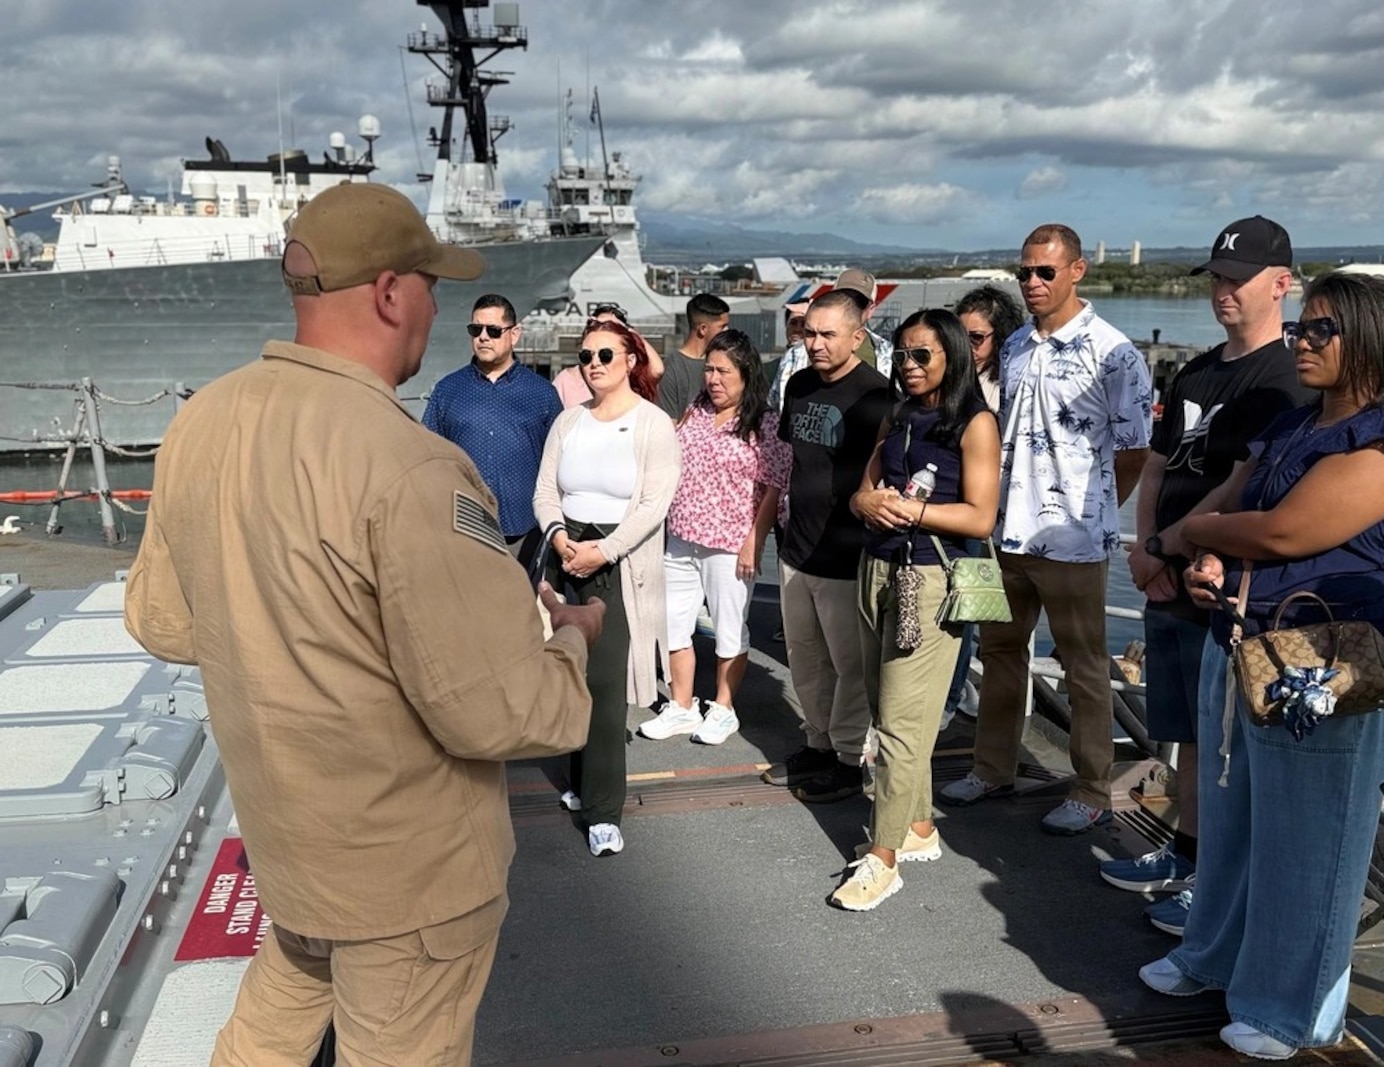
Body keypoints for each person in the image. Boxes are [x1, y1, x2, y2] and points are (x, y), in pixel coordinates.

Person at [123, 183, 603, 1066]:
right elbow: (497, 711)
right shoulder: (411, 465)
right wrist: (574, 639)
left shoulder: (201, 422)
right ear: (390, 292)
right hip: (407, 882)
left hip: (290, 848)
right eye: (430, 286)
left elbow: (161, 619)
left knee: (262, 1039)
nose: (436, 308)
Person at [1139, 271, 1384, 1061]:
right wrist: (1206, 549)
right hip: (1245, 641)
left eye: (1319, 331)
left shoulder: (1374, 441)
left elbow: (1285, 531)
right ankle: (1212, 954)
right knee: (1235, 815)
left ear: (1367, 338)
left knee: (1314, 836)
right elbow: (1232, 504)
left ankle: (1292, 1008)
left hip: (1324, 667)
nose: (1300, 342)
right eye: (1300, 329)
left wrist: (1190, 536)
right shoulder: (1294, 424)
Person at [1102, 216, 1310, 937]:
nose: (1222, 291)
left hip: (1220, 577)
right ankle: (1185, 853)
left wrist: (1164, 546)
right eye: (1216, 278)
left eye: (1236, 279)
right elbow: (1160, 462)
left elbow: (1242, 478)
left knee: (1225, 742)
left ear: (1280, 284)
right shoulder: (1194, 371)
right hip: (1167, 572)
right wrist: (1145, 548)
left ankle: (1214, 879)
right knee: (1189, 733)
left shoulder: (1284, 378)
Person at [939, 223, 1153, 835]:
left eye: (1045, 272)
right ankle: (991, 767)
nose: (1031, 282)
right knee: (1003, 653)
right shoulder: (1014, 348)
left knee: (1085, 667)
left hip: (1072, 540)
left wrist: (1096, 516)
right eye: (1024, 271)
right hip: (1005, 533)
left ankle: (1090, 788)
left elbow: (1135, 449)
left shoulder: (1114, 354)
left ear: (1077, 271)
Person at [830, 309, 1000, 910]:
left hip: (927, 581)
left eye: (922, 354)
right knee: (886, 705)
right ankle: (921, 825)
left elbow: (980, 517)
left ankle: (883, 857)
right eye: (901, 354)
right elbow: (863, 490)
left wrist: (910, 513)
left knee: (902, 724)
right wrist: (865, 502)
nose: (908, 365)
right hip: (877, 568)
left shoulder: (975, 423)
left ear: (952, 354)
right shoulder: (900, 414)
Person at [534, 318, 681, 856]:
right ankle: (581, 780)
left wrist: (604, 550)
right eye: (585, 357)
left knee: (603, 686)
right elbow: (546, 488)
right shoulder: (568, 422)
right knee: (566, 673)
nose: (593, 365)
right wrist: (558, 536)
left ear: (630, 362)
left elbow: (653, 504)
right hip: (565, 552)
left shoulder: (653, 424)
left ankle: (603, 810)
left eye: (604, 356)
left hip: (616, 563)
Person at [762, 289, 893, 802]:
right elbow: (797, 462)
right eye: (808, 332)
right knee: (805, 658)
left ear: (857, 338)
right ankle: (816, 743)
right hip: (798, 548)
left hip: (848, 553)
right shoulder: (797, 385)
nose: (814, 343)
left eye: (827, 334)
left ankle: (846, 757)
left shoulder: (878, 396)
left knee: (850, 667)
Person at [638, 329, 790, 745]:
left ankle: (723, 708)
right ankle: (682, 705)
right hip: (683, 534)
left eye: (724, 371)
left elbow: (775, 484)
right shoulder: (697, 410)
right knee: (673, 624)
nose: (713, 379)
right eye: (709, 369)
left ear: (746, 374)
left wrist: (754, 540)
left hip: (730, 541)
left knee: (728, 627)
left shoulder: (765, 421)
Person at [939, 284, 1027, 728]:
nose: (968, 346)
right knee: (955, 616)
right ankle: (949, 696)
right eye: (962, 335)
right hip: (947, 515)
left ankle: (951, 699)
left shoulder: (1004, 389)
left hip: (986, 521)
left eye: (978, 338)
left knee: (967, 616)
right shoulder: (950, 380)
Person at [422, 293, 562, 565]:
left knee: (518, 607)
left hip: (524, 532)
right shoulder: (447, 391)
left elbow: (558, 465)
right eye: (476, 329)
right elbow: (429, 459)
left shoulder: (543, 394)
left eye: (493, 330)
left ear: (515, 333)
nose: (483, 337)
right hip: (462, 528)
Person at [768, 269, 896, 411]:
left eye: (858, 302)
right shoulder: (796, 353)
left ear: (871, 309)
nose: (849, 306)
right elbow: (776, 405)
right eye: (842, 299)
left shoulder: (887, 354)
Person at [553, 302, 664, 408]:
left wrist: (628, 329)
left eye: (606, 355)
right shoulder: (566, 380)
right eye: (587, 355)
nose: (596, 363)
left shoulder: (628, 377)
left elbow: (657, 370)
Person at [656, 293, 731, 419]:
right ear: (703, 329)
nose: (727, 331)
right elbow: (669, 427)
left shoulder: (728, 360)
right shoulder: (672, 370)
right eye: (722, 326)